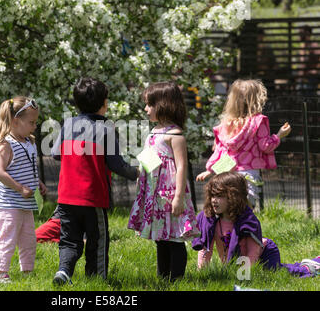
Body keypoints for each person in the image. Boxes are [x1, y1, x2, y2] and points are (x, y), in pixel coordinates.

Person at [51, 77, 139, 285]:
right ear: (104, 103)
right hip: (93, 198)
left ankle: (64, 271)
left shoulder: (68, 124)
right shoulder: (105, 129)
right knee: (97, 240)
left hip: (66, 197)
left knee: (69, 240)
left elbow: (56, 154)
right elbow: (117, 165)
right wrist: (137, 173)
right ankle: (97, 279)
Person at [128, 81, 200, 281]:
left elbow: (181, 167)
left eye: (149, 105)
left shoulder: (175, 135)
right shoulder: (154, 132)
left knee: (175, 238)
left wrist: (178, 197)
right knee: (160, 238)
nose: (145, 109)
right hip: (155, 195)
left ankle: (176, 279)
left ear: (163, 105)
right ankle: (163, 278)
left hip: (170, 195)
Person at [192, 172, 318, 278]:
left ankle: (308, 268)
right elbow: (205, 247)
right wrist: (202, 272)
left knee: (277, 273)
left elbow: (253, 250)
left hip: (265, 252)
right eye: (213, 195)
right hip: (239, 262)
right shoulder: (210, 221)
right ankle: (304, 264)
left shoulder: (247, 221)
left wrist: (244, 274)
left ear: (233, 197)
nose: (214, 200)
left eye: (219, 196)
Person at [196, 79, 292, 207]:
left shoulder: (226, 124)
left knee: (228, 212)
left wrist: (210, 170)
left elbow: (220, 150)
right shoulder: (258, 121)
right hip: (248, 174)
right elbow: (266, 146)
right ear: (257, 99)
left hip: (227, 173)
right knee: (245, 212)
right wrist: (279, 135)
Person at [0, 96, 47, 284]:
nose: (34, 126)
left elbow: (28, 167)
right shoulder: (6, 144)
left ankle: (27, 271)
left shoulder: (29, 141)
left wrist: (37, 182)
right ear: (15, 121)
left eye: (35, 122)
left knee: (29, 238)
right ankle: (1, 273)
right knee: (9, 237)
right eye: (31, 122)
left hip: (25, 202)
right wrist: (20, 187)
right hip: (8, 203)